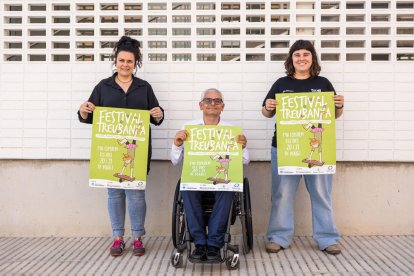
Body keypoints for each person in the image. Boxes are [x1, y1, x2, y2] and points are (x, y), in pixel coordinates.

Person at [78, 36, 164, 257]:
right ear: (115, 61)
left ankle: (137, 238)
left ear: (136, 63)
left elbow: (156, 116)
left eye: (130, 61)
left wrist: (159, 113)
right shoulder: (103, 87)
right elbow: (90, 117)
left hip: (137, 152)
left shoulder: (144, 87)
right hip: (110, 152)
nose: (125, 64)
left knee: (136, 196)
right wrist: (84, 110)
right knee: (114, 195)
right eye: (122, 60)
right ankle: (117, 237)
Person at [261, 40, 344, 255]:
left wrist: (340, 105)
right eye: (297, 55)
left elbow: (334, 115)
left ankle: (327, 238)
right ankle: (278, 237)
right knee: (282, 194)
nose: (301, 58)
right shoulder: (281, 83)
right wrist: (268, 106)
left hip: (318, 149)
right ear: (291, 59)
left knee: (321, 194)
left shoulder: (324, 83)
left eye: (306, 54)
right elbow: (266, 112)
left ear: (312, 59)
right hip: (284, 148)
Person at [171, 88, 250, 262]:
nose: (212, 104)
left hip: (220, 181)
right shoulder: (188, 128)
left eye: (217, 101)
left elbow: (245, 160)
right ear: (201, 105)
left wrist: (242, 147)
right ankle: (199, 243)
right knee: (187, 189)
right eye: (208, 100)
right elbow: (175, 161)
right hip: (196, 178)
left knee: (228, 189)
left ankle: (214, 244)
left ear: (223, 106)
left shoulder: (232, 130)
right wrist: (177, 145)